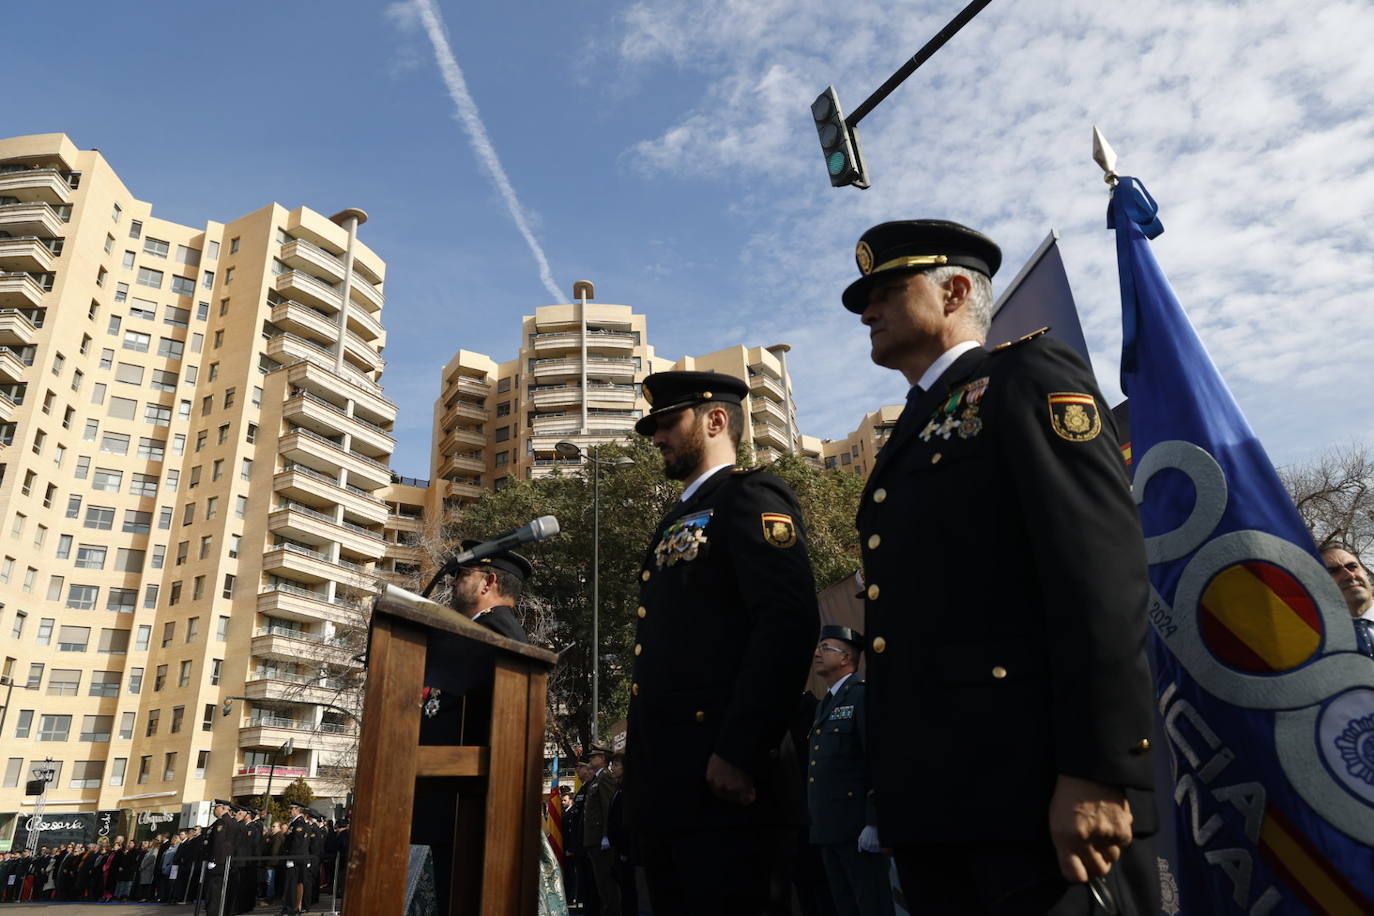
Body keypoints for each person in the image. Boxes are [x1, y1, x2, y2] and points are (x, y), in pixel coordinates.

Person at [842, 220, 1158, 914]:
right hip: (944, 808)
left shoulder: (1026, 377)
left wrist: (1098, 768)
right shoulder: (919, 426)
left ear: (955, 290)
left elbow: (1099, 574)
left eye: (888, 291)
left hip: (1037, 794)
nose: (868, 311)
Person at [625, 370, 820, 915]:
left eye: (667, 422)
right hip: (673, 788)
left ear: (715, 420)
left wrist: (740, 750)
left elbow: (786, 623)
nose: (657, 437)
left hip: (727, 785)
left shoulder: (749, 495)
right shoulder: (676, 519)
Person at [807, 626, 892, 916]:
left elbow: (877, 759)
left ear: (845, 658)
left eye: (825, 647)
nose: (817, 653)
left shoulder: (860, 697)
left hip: (857, 828)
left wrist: (874, 819)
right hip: (829, 829)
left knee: (872, 907)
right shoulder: (825, 705)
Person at [581, 747, 621, 916]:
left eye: (595, 756)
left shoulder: (605, 777)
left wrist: (606, 835)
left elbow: (608, 808)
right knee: (601, 885)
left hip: (600, 840)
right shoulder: (597, 779)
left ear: (604, 759)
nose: (591, 758)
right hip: (593, 840)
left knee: (607, 884)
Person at [1322, 544, 1374, 656]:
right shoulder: (1314, 639)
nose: (1349, 575)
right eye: (1333, 571)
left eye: (1353, 566)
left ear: (1365, 572)